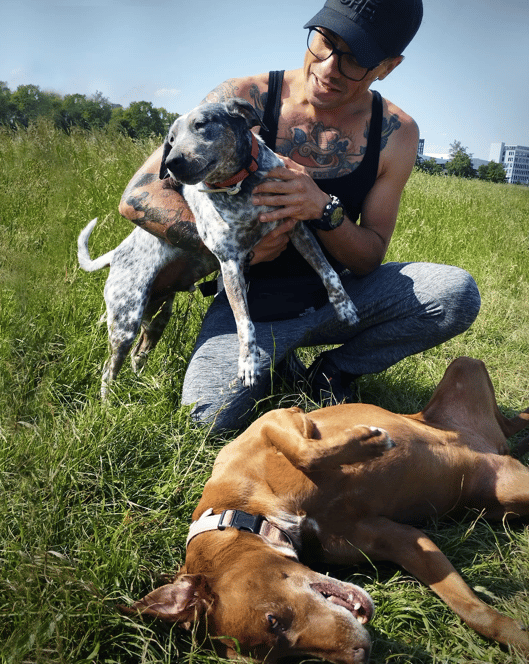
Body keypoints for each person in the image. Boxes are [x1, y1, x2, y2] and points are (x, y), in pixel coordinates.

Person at [118, 0, 481, 432]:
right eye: (324, 42)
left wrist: (322, 209)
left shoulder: (397, 132)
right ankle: (279, 361)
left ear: (387, 66)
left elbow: (369, 257)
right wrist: (236, 248)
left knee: (456, 293)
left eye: (355, 60)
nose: (328, 68)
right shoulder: (244, 97)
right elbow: (138, 196)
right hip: (251, 304)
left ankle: (335, 372)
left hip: (340, 294)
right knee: (206, 420)